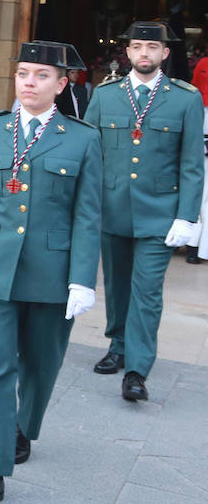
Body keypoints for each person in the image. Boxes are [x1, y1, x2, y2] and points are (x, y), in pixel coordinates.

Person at [0, 40, 101, 504]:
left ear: (61, 83)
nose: (28, 83)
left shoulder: (82, 138)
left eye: (40, 76)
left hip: (52, 272)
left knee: (42, 362)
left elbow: (87, 215)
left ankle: (22, 426)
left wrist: (82, 279)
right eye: (23, 74)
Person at [83, 21, 203, 402]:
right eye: (137, 47)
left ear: (165, 53)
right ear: (128, 52)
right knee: (117, 287)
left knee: (147, 291)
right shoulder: (105, 96)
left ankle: (136, 368)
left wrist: (187, 217)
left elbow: (191, 165)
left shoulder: (185, 99)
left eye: (152, 47)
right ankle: (117, 345)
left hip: (159, 214)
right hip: (112, 209)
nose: (144, 53)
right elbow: (88, 156)